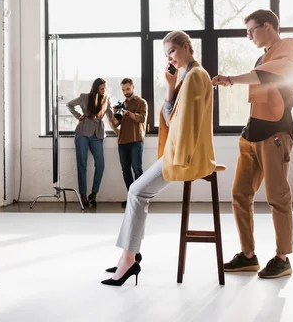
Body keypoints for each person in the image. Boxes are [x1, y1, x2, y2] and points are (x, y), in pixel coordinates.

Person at [101, 31, 217, 286]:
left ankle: (129, 258)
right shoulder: (188, 76)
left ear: (187, 47)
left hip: (184, 154)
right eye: (167, 55)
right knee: (137, 191)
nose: (170, 58)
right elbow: (171, 117)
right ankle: (128, 255)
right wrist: (170, 86)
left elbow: (182, 122)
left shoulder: (196, 76)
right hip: (178, 151)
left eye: (173, 52)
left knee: (137, 190)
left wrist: (179, 158)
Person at [212, 9, 293, 279]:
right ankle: (248, 255)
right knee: (239, 195)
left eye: (251, 30)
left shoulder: (288, 47)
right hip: (251, 135)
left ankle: (282, 258)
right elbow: (259, 83)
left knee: (277, 197)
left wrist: (232, 79)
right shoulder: (262, 56)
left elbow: (264, 77)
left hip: (275, 135)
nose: (248, 36)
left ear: (267, 25)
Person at [66, 78, 114, 207]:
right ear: (95, 89)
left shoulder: (106, 99)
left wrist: (119, 128)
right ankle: (82, 195)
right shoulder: (84, 97)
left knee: (101, 164)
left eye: (104, 89)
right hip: (82, 133)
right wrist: (78, 116)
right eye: (101, 89)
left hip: (97, 134)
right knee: (82, 164)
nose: (103, 91)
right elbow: (69, 104)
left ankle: (94, 194)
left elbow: (111, 117)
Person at [110, 78, 148, 208]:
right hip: (122, 142)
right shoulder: (122, 104)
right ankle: (132, 198)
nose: (125, 92)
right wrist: (116, 114)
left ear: (133, 87)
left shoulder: (141, 102)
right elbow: (115, 124)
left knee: (137, 170)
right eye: (123, 90)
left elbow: (142, 118)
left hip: (136, 140)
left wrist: (129, 113)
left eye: (127, 89)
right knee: (125, 171)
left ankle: (140, 199)